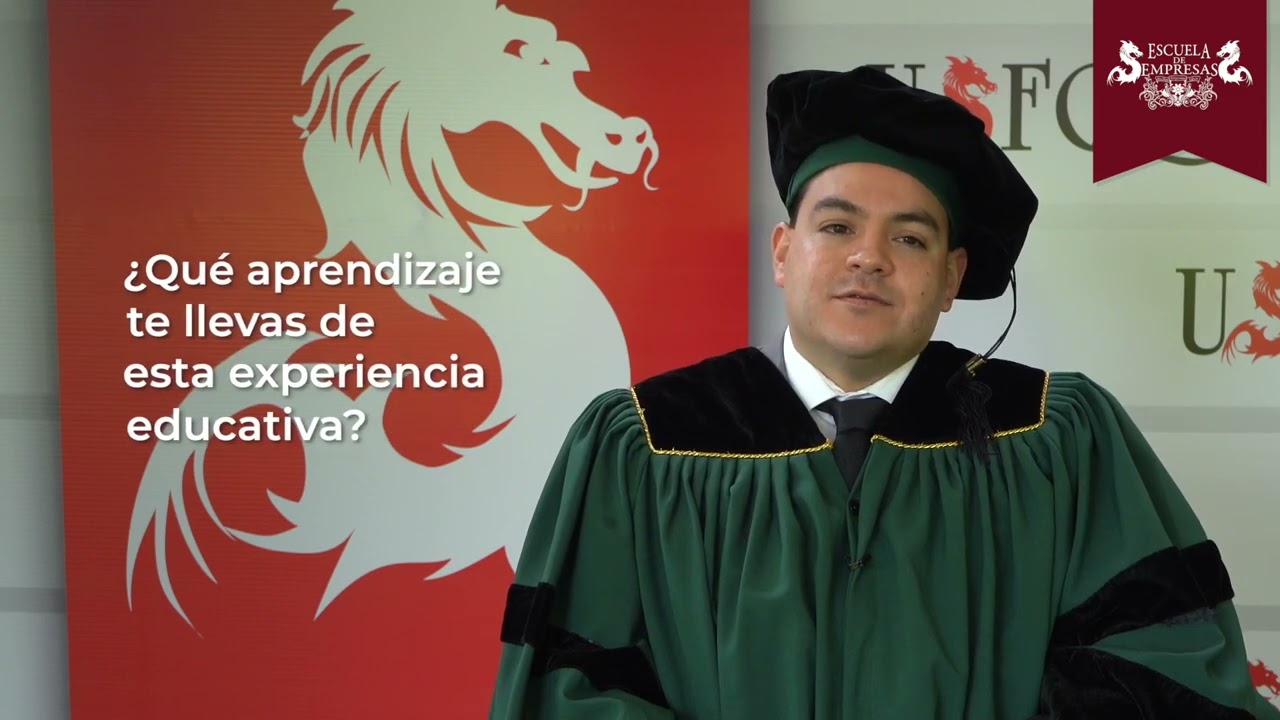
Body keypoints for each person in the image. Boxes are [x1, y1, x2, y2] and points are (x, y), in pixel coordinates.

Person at [486, 65, 1279, 719]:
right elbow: (572, 688)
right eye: (837, 227)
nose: (869, 257)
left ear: (951, 277)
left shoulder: (1055, 437)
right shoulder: (647, 441)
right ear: (783, 252)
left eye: (909, 236)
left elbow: (1159, 667)